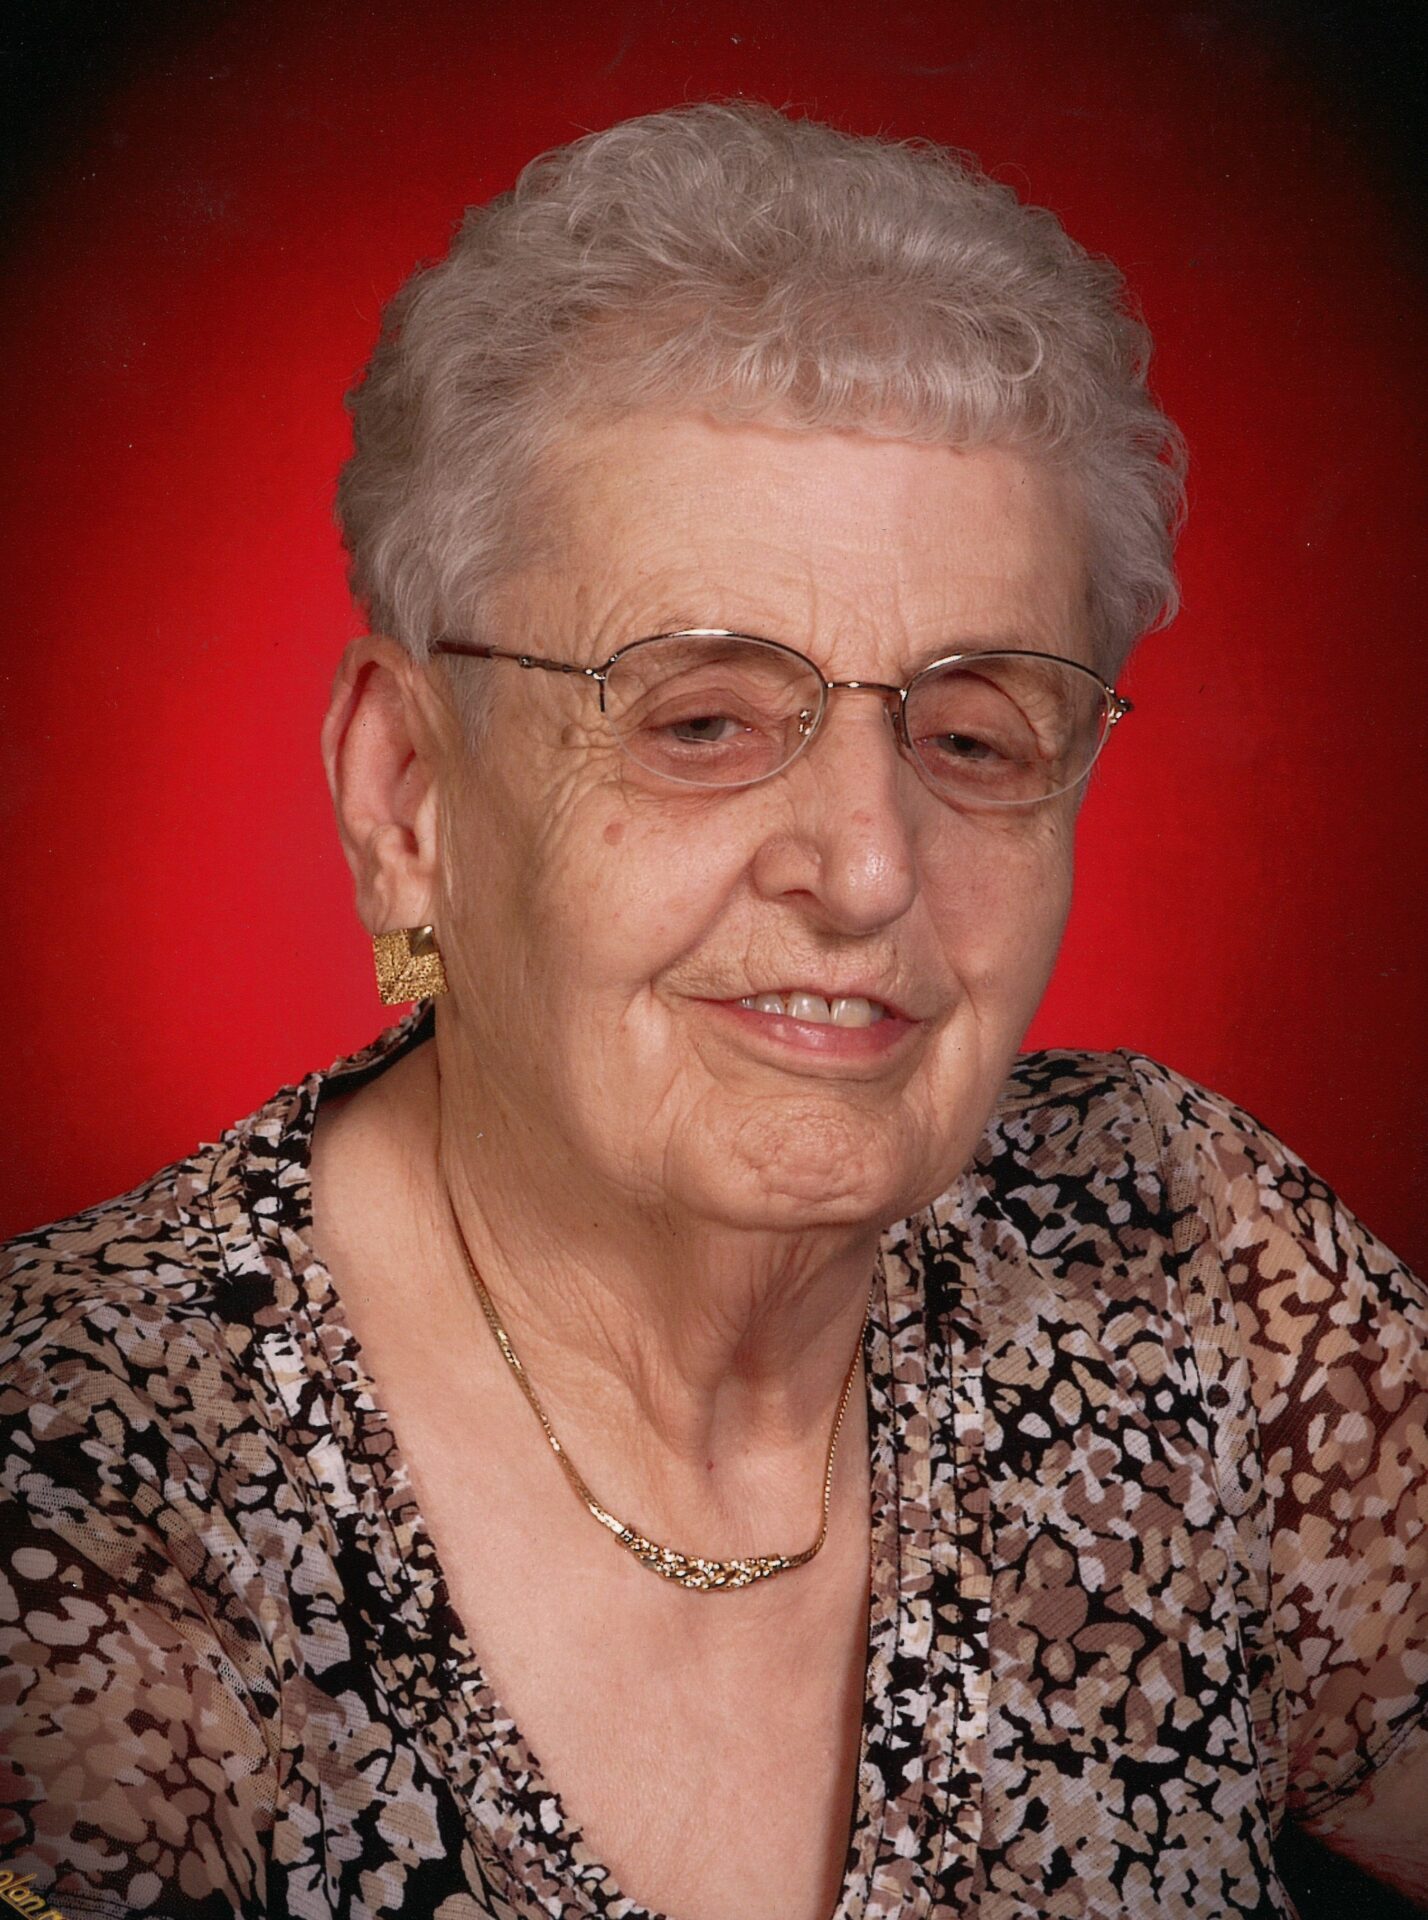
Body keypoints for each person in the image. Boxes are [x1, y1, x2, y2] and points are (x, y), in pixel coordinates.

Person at [1, 102, 1423, 1920]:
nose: (869, 867)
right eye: (702, 722)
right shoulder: (73, 1492)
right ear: (409, 798)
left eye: (974, 735)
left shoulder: (1179, 1254)